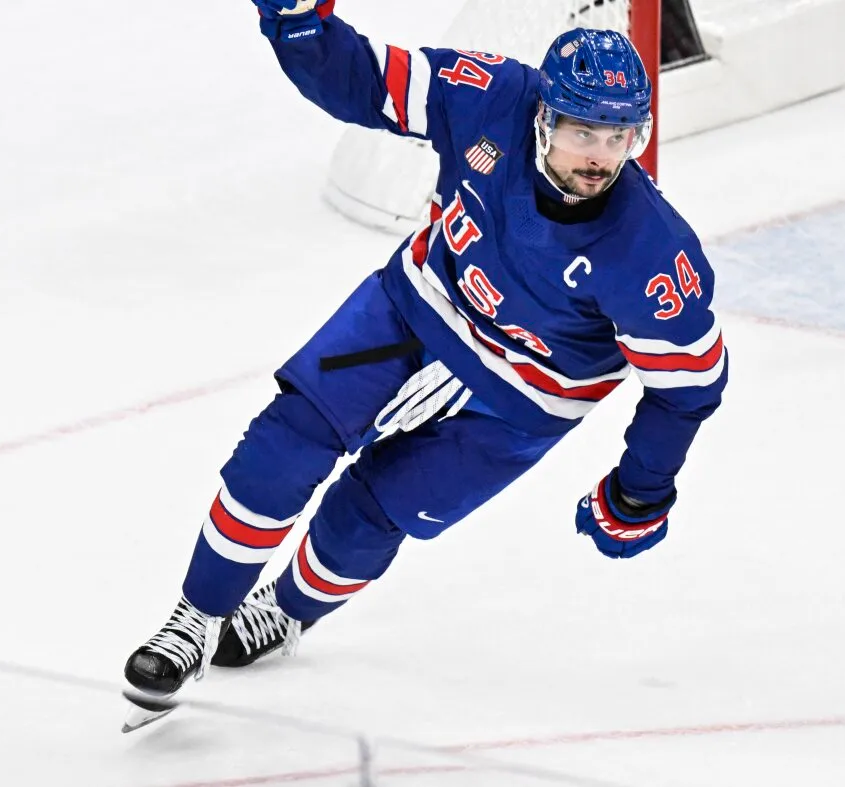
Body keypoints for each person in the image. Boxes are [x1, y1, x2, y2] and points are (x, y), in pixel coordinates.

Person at [122, 0, 728, 732]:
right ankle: (193, 619)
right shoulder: (490, 94)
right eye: (580, 132)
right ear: (542, 117)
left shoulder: (654, 255)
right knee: (281, 448)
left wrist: (639, 491)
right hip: (413, 310)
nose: (599, 155)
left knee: (371, 513)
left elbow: (687, 390)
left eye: (618, 135)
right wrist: (301, 26)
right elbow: (365, 81)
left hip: (522, 399)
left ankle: (282, 612)